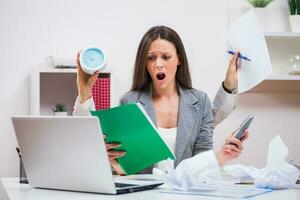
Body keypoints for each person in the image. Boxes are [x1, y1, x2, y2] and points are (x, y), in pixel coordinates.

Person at [73, 25, 249, 175]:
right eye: (151, 58)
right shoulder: (130, 102)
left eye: (166, 57)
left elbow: (203, 159)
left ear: (179, 59)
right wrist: (113, 161)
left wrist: (223, 154)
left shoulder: (200, 101)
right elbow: (126, 168)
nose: (158, 64)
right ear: (145, 63)